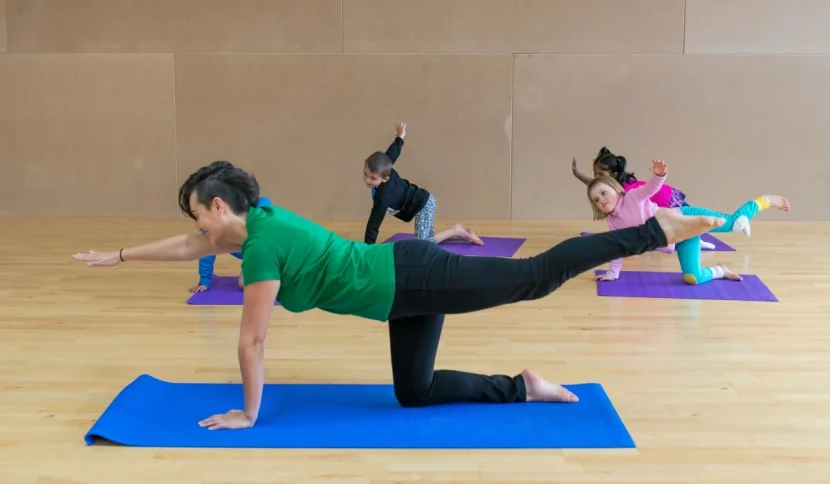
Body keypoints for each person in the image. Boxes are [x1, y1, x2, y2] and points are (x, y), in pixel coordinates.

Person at [74, 160, 724, 431]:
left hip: (411, 276)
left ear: (220, 207)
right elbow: (193, 247)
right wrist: (121, 255)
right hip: (400, 290)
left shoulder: (262, 248)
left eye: (199, 215)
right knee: (413, 392)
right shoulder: (257, 219)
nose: (197, 230)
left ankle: (649, 230)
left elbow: (252, 339)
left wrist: (249, 415)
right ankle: (524, 386)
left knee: (534, 276)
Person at [586, 157, 790, 284]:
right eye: (596, 200)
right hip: (681, 239)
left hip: (684, 217)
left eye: (604, 193)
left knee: (734, 224)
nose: (602, 200)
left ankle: (764, 201)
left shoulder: (633, 197)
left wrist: (660, 174)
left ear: (616, 189)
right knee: (692, 278)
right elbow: (618, 249)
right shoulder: (613, 222)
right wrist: (612, 274)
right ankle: (721, 270)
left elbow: (651, 188)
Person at [363, 122, 484, 246]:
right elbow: (393, 152)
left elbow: (374, 222)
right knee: (428, 239)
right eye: (365, 175)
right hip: (420, 201)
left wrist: (367, 248)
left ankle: (455, 230)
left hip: (423, 205)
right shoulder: (384, 167)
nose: (367, 180)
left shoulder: (383, 196)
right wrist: (400, 136)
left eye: (373, 178)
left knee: (424, 243)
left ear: (385, 178)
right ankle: (463, 234)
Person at [573, 146, 716, 250]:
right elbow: (595, 186)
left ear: (614, 174)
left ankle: (698, 240)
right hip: (661, 200)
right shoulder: (613, 187)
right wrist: (578, 174)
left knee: (693, 223)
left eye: (600, 174)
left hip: (667, 199)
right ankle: (695, 238)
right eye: (594, 173)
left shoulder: (622, 192)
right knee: (689, 224)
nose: (595, 178)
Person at [190, 195, 273, 294]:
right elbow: (206, 252)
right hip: (251, 254)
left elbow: (264, 202)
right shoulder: (211, 228)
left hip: (272, 251)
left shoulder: (250, 213)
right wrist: (204, 281)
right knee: (243, 284)